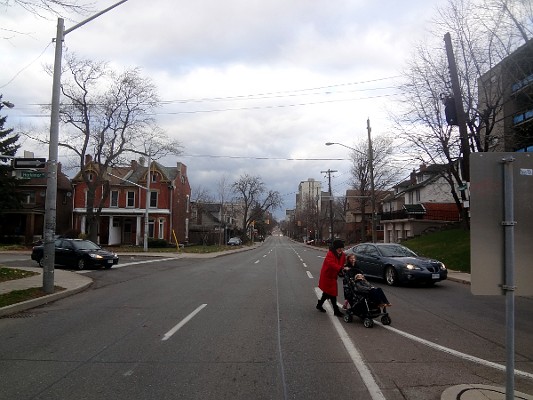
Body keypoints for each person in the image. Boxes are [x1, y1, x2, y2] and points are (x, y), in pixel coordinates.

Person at [316, 239, 346, 316]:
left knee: (327, 293)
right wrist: (339, 268)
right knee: (332, 293)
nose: (341, 250)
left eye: (342, 249)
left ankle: (319, 305)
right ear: (336, 248)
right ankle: (336, 310)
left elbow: (342, 264)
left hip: (333, 276)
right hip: (327, 276)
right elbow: (331, 264)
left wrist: (342, 271)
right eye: (339, 249)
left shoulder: (342, 255)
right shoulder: (330, 254)